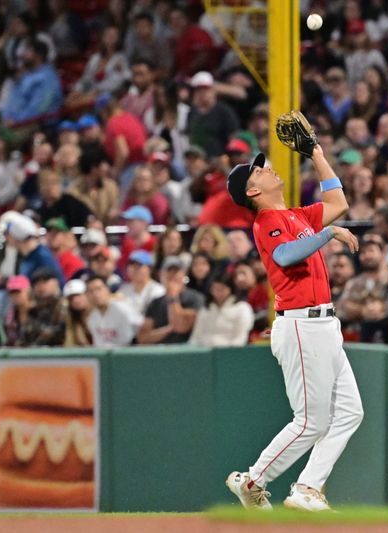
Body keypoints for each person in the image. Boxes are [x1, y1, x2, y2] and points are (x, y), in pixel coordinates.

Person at [224, 141, 363, 512]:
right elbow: (285, 256)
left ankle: (306, 488)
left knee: (350, 411)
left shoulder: (297, 216)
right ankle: (253, 480)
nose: (267, 168)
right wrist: (329, 234)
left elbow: (339, 204)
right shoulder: (266, 221)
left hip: (323, 324)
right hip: (303, 326)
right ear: (253, 191)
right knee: (311, 422)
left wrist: (316, 154)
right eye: (259, 171)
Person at [138, 257, 205, 345]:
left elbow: (180, 326)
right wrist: (169, 328)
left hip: (186, 352)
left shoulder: (195, 298)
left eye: (176, 272)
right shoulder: (155, 302)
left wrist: (173, 296)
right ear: (161, 274)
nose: (172, 275)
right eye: (169, 271)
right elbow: (143, 338)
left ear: (184, 274)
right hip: (159, 353)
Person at [0, 38, 62, 125]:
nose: (22, 54)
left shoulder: (48, 78)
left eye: (28, 50)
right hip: (12, 123)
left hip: (35, 124)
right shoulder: (24, 75)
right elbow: (12, 101)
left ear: (39, 55)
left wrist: (17, 122)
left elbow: (41, 108)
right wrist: (5, 118)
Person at [188, 271, 253, 347]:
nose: (218, 293)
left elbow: (241, 337)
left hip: (230, 353)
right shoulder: (205, 309)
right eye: (215, 289)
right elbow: (196, 337)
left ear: (230, 288)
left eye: (222, 289)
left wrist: (228, 354)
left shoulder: (242, 308)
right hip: (205, 353)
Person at [85, 275, 141, 347]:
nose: (95, 294)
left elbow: (141, 330)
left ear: (107, 289)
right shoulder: (92, 317)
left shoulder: (123, 309)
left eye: (99, 289)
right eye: (91, 291)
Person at [118, 250, 166, 315]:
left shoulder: (158, 290)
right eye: (131, 265)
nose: (133, 269)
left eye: (138, 266)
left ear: (149, 269)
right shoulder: (123, 290)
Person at [63, 279, 92, 347]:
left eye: (78, 295)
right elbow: (69, 343)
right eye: (71, 298)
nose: (75, 301)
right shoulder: (71, 319)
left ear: (87, 294)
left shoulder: (98, 312)